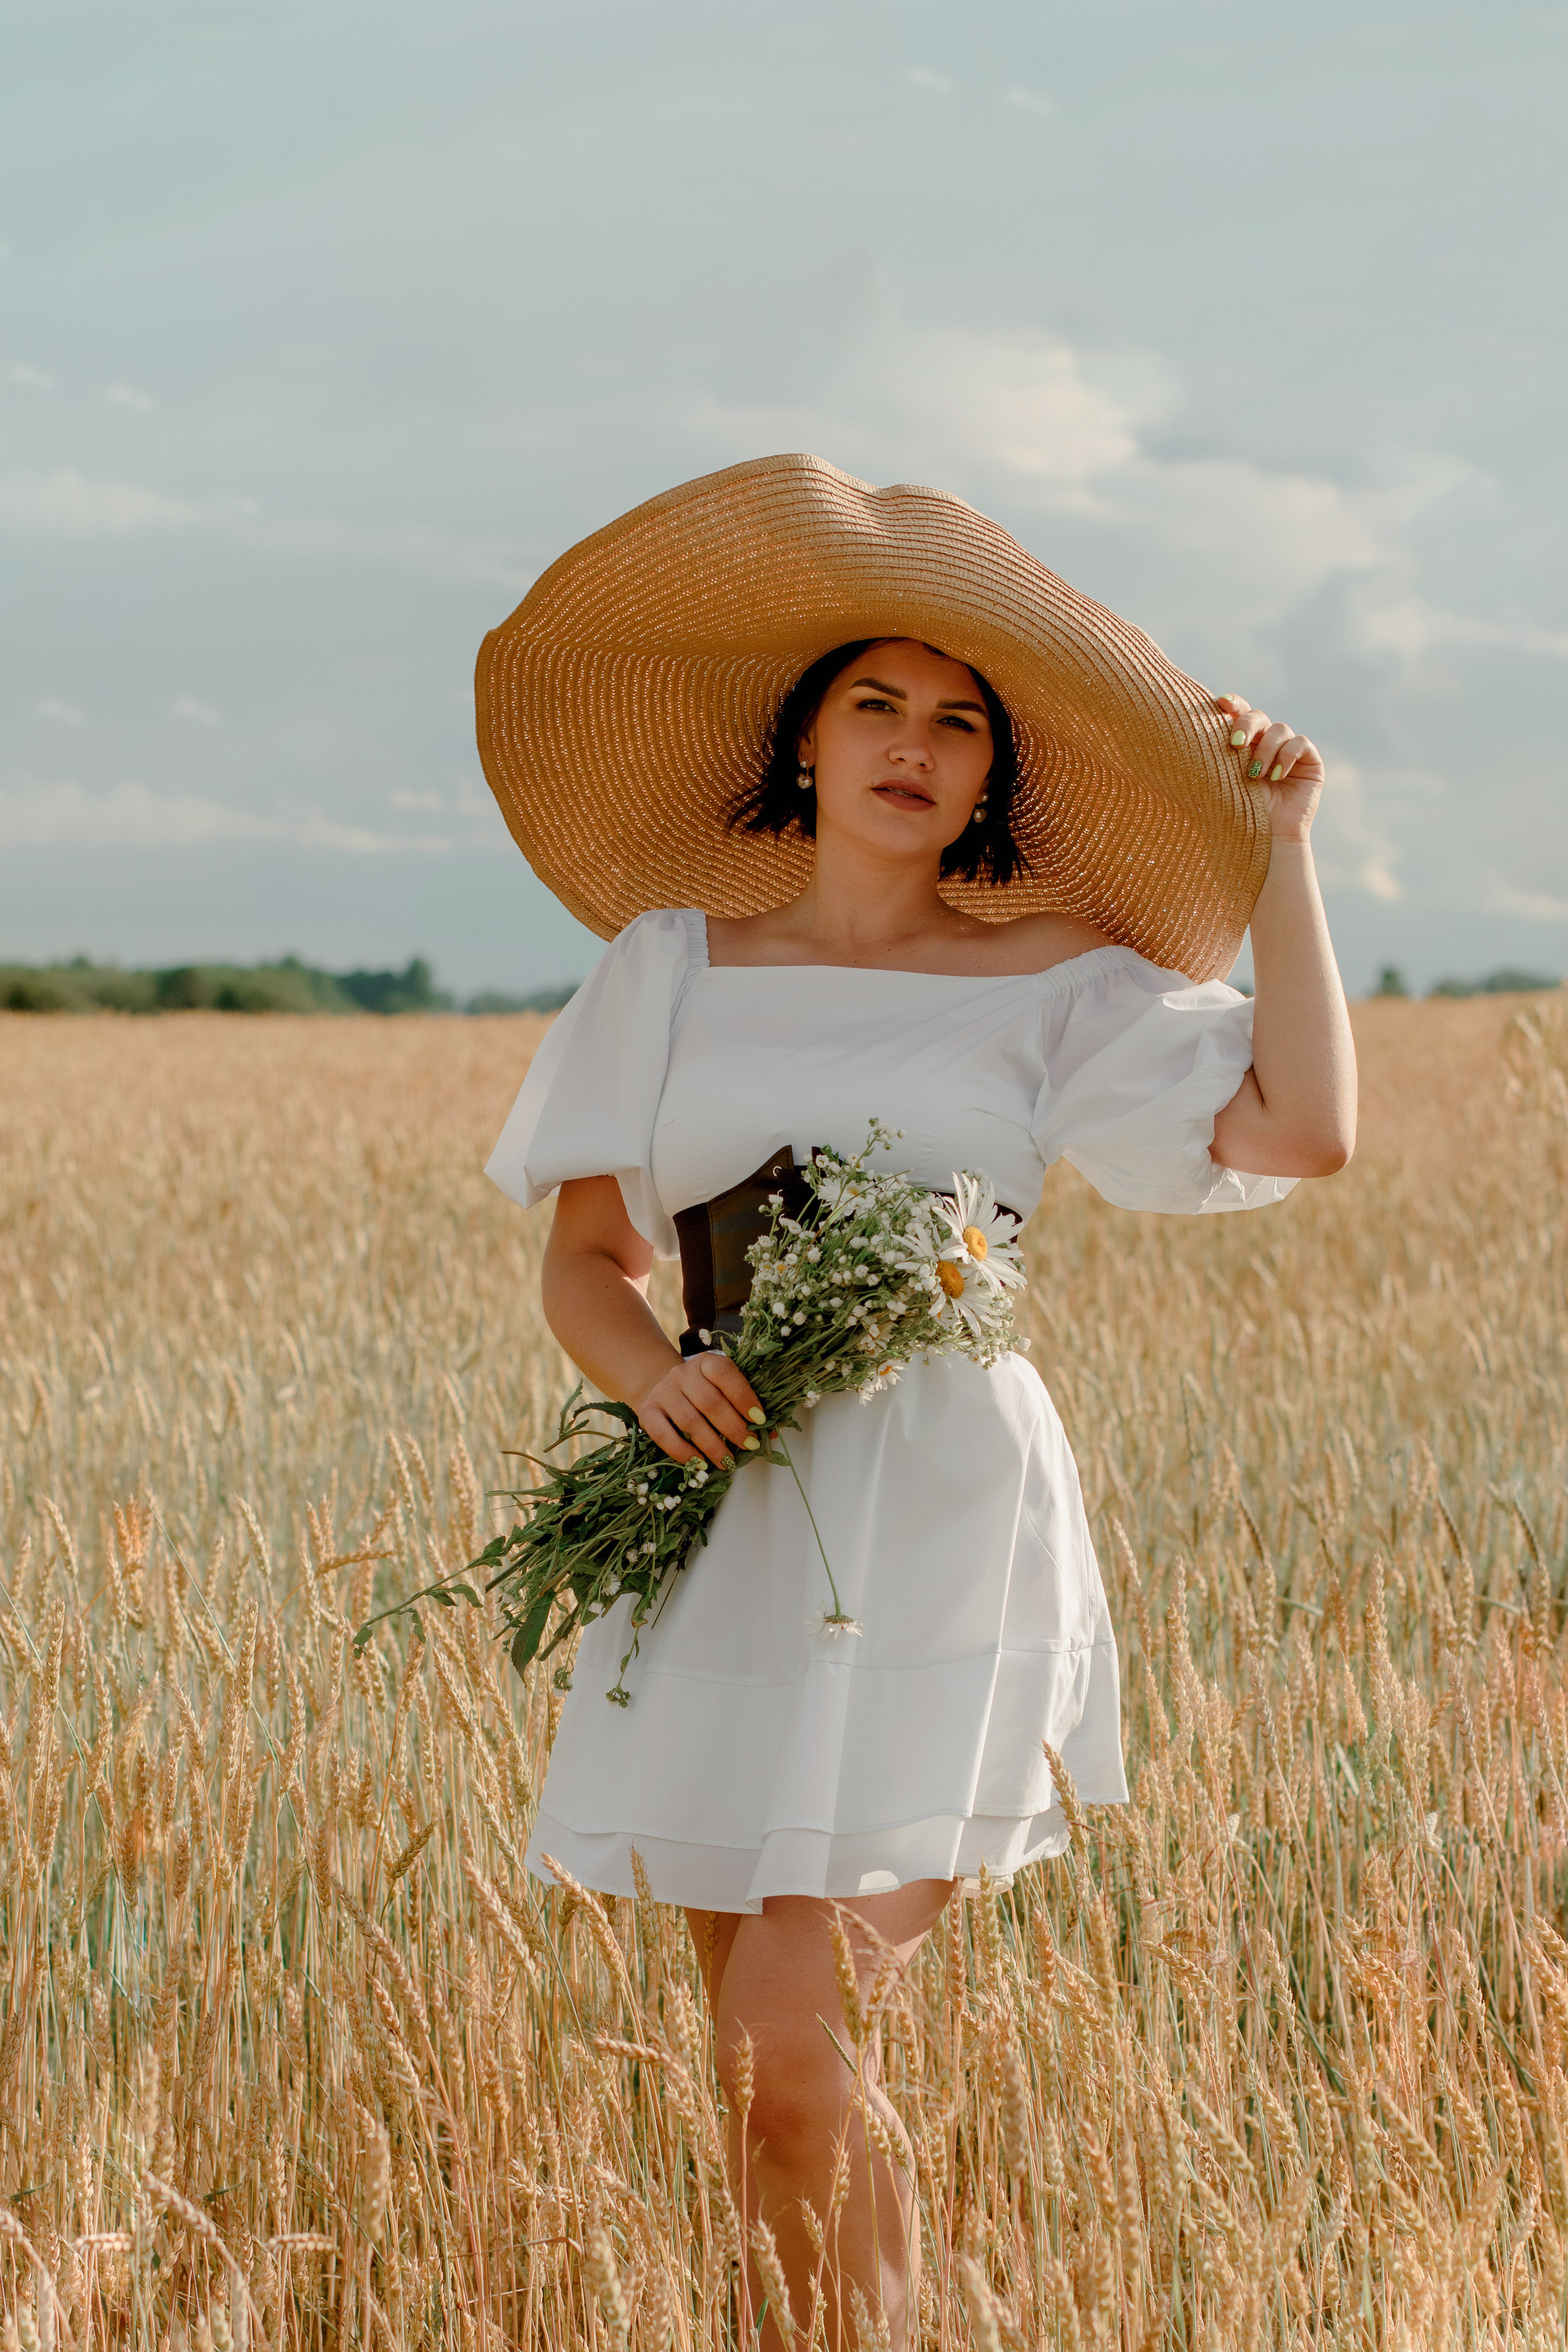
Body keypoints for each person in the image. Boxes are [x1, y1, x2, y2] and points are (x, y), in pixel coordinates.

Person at [479, 455, 1355, 2350]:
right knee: (765, 2086)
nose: (914, 742)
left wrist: (1283, 852)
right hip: (723, 1528)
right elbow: (589, 1261)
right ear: (801, 748)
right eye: (874, 703)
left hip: (946, 1521)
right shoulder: (667, 969)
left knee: (798, 2045)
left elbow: (1303, 1129)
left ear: (988, 786)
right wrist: (656, 1380)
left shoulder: (1056, 981)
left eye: (960, 725)